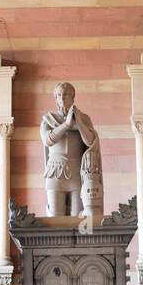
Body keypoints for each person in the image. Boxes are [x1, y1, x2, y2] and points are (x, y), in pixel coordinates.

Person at [40, 81, 102, 217]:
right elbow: (47, 140)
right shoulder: (48, 119)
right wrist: (66, 125)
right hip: (55, 171)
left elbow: (91, 141)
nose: (62, 98)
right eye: (59, 95)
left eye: (66, 95)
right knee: (55, 217)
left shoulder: (84, 118)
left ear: (73, 97)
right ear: (55, 98)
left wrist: (79, 123)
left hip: (77, 172)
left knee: (79, 217)